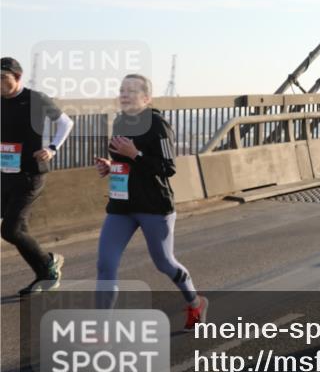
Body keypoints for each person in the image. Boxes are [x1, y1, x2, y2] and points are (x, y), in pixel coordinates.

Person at [93, 74, 207, 327]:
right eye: (122, 90)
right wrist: (111, 166)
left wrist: (136, 153)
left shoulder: (158, 125)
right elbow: (126, 163)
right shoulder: (120, 121)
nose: (124, 94)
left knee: (164, 263)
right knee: (105, 265)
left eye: (132, 91)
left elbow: (168, 168)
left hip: (154, 206)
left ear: (147, 98)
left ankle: (194, 302)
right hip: (122, 205)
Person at [1, 56, 73, 296]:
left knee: (11, 231)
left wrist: (52, 148)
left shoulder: (35, 99)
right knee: (18, 228)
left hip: (29, 175)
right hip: (4, 172)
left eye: (3, 78)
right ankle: (46, 265)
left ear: (18, 77)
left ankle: (48, 269)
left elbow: (65, 123)